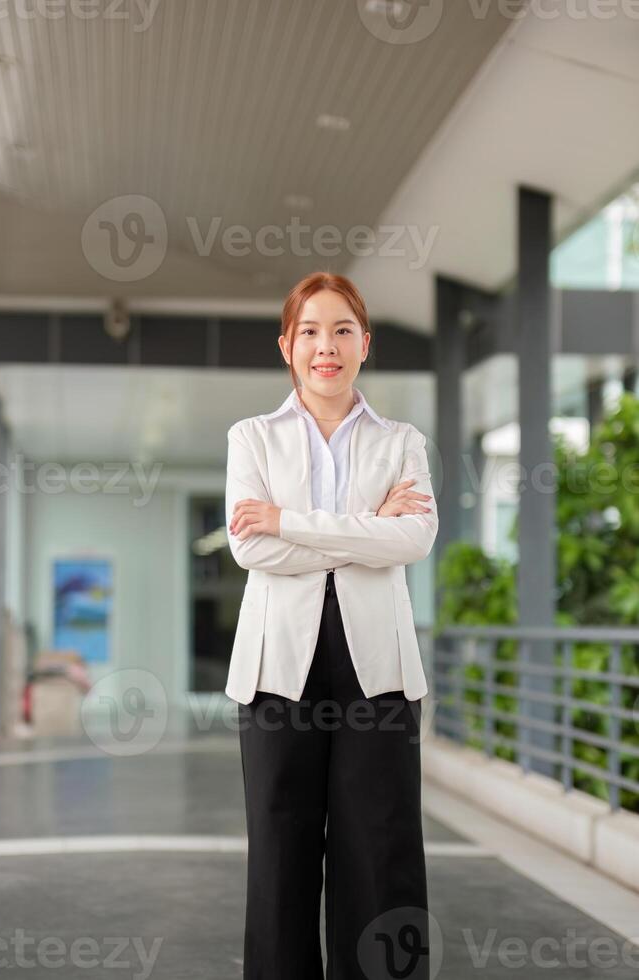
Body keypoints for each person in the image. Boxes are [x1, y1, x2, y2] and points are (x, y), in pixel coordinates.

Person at [225, 271, 438, 979]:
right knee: (281, 852)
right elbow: (250, 547)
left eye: (343, 330)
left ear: (365, 344)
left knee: (380, 850)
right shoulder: (250, 437)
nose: (327, 347)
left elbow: (413, 540)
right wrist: (368, 527)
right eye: (310, 331)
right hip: (276, 667)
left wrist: (290, 521)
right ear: (287, 345)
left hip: (376, 666)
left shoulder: (401, 440)